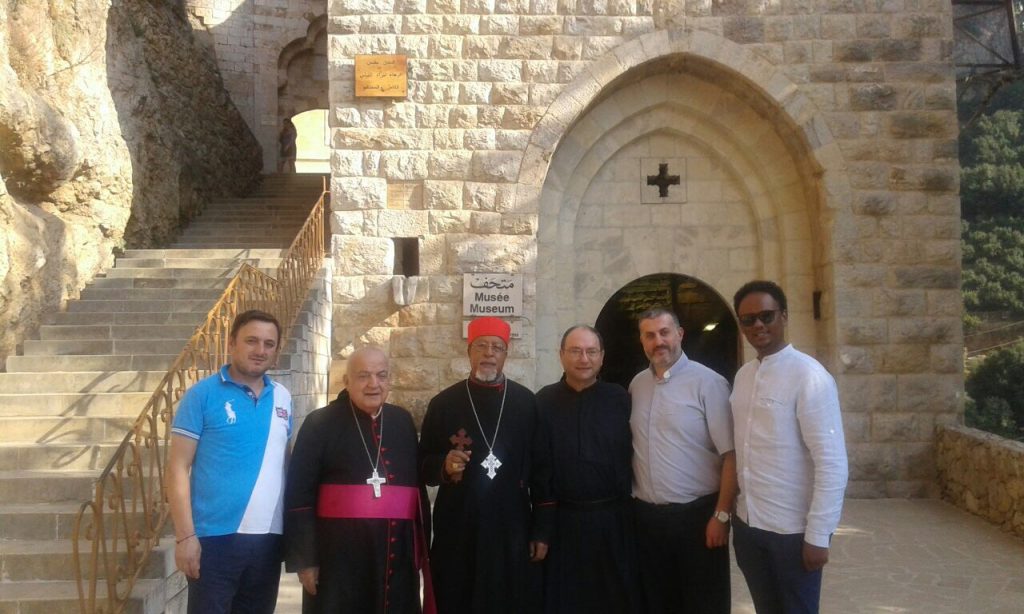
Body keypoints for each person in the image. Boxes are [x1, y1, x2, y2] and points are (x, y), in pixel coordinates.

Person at [419, 316, 554, 614]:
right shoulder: (444, 404)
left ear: (506, 354)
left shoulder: (527, 404)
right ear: (469, 351)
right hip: (458, 527)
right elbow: (423, 465)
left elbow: (543, 471)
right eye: (481, 346)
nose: (489, 353)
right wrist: (443, 465)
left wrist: (542, 531)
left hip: (512, 528)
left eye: (497, 347)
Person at [730, 281, 849, 614]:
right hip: (750, 527)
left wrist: (819, 535)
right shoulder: (743, 377)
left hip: (792, 533)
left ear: (783, 316)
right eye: (748, 319)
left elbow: (832, 462)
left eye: (766, 316)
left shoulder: (808, 376)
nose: (758, 325)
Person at [284, 346, 432, 613]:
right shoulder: (320, 423)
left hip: (397, 556)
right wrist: (306, 559)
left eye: (381, 375)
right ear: (347, 381)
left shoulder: (402, 421)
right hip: (338, 560)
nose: (373, 384)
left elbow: (417, 492)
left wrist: (420, 550)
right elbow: (299, 496)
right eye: (363, 376)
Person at [167, 309, 292, 614]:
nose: (260, 350)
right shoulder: (202, 395)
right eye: (251, 341)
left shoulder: (283, 397)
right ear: (232, 342)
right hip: (214, 539)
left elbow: (284, 465)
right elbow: (177, 468)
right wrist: (185, 536)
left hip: (268, 540)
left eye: (269, 344)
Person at [629, 308, 737, 614]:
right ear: (642, 341)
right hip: (648, 522)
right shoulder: (637, 385)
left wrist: (722, 515)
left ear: (680, 334)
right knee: (657, 602)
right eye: (650, 335)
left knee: (704, 603)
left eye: (664, 332)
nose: (658, 341)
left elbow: (731, 455)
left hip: (698, 519)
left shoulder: (709, 383)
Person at [535, 325, 638, 614]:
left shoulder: (620, 399)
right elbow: (539, 468)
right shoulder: (543, 401)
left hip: (614, 522)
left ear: (602, 357)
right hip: (563, 524)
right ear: (561, 355)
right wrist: (541, 529)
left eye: (591, 351)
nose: (584, 359)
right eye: (575, 351)